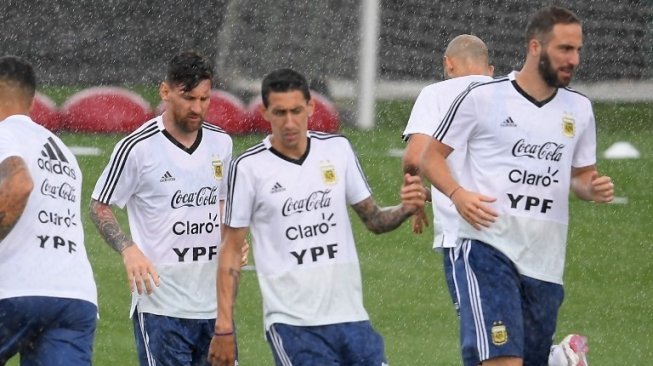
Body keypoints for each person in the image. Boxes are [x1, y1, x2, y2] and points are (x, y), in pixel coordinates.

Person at [420, 6, 613, 366]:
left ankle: (559, 359)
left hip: (545, 262)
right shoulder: (483, 98)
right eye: (565, 49)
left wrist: (593, 188)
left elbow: (582, 177)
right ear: (536, 47)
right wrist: (459, 195)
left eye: (578, 50)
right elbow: (429, 157)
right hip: (486, 248)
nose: (574, 59)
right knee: (501, 360)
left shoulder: (580, 109)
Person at [207, 68, 427, 366]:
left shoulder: (337, 150)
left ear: (311, 107)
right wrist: (224, 327)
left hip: (352, 319)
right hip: (293, 324)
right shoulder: (248, 168)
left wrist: (405, 208)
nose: (289, 122)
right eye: (280, 112)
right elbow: (231, 250)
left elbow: (374, 220)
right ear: (264, 112)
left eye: (296, 111)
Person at [90, 50, 243, 366]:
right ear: (165, 92)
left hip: (215, 307)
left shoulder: (221, 144)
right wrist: (128, 249)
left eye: (204, 99)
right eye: (189, 98)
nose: (197, 108)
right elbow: (99, 205)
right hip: (161, 308)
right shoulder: (137, 148)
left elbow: (224, 201)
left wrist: (234, 238)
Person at [0, 55, 98, 365]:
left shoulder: (3, 134)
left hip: (16, 288)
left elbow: (19, 185)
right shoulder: (61, 149)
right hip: (74, 296)